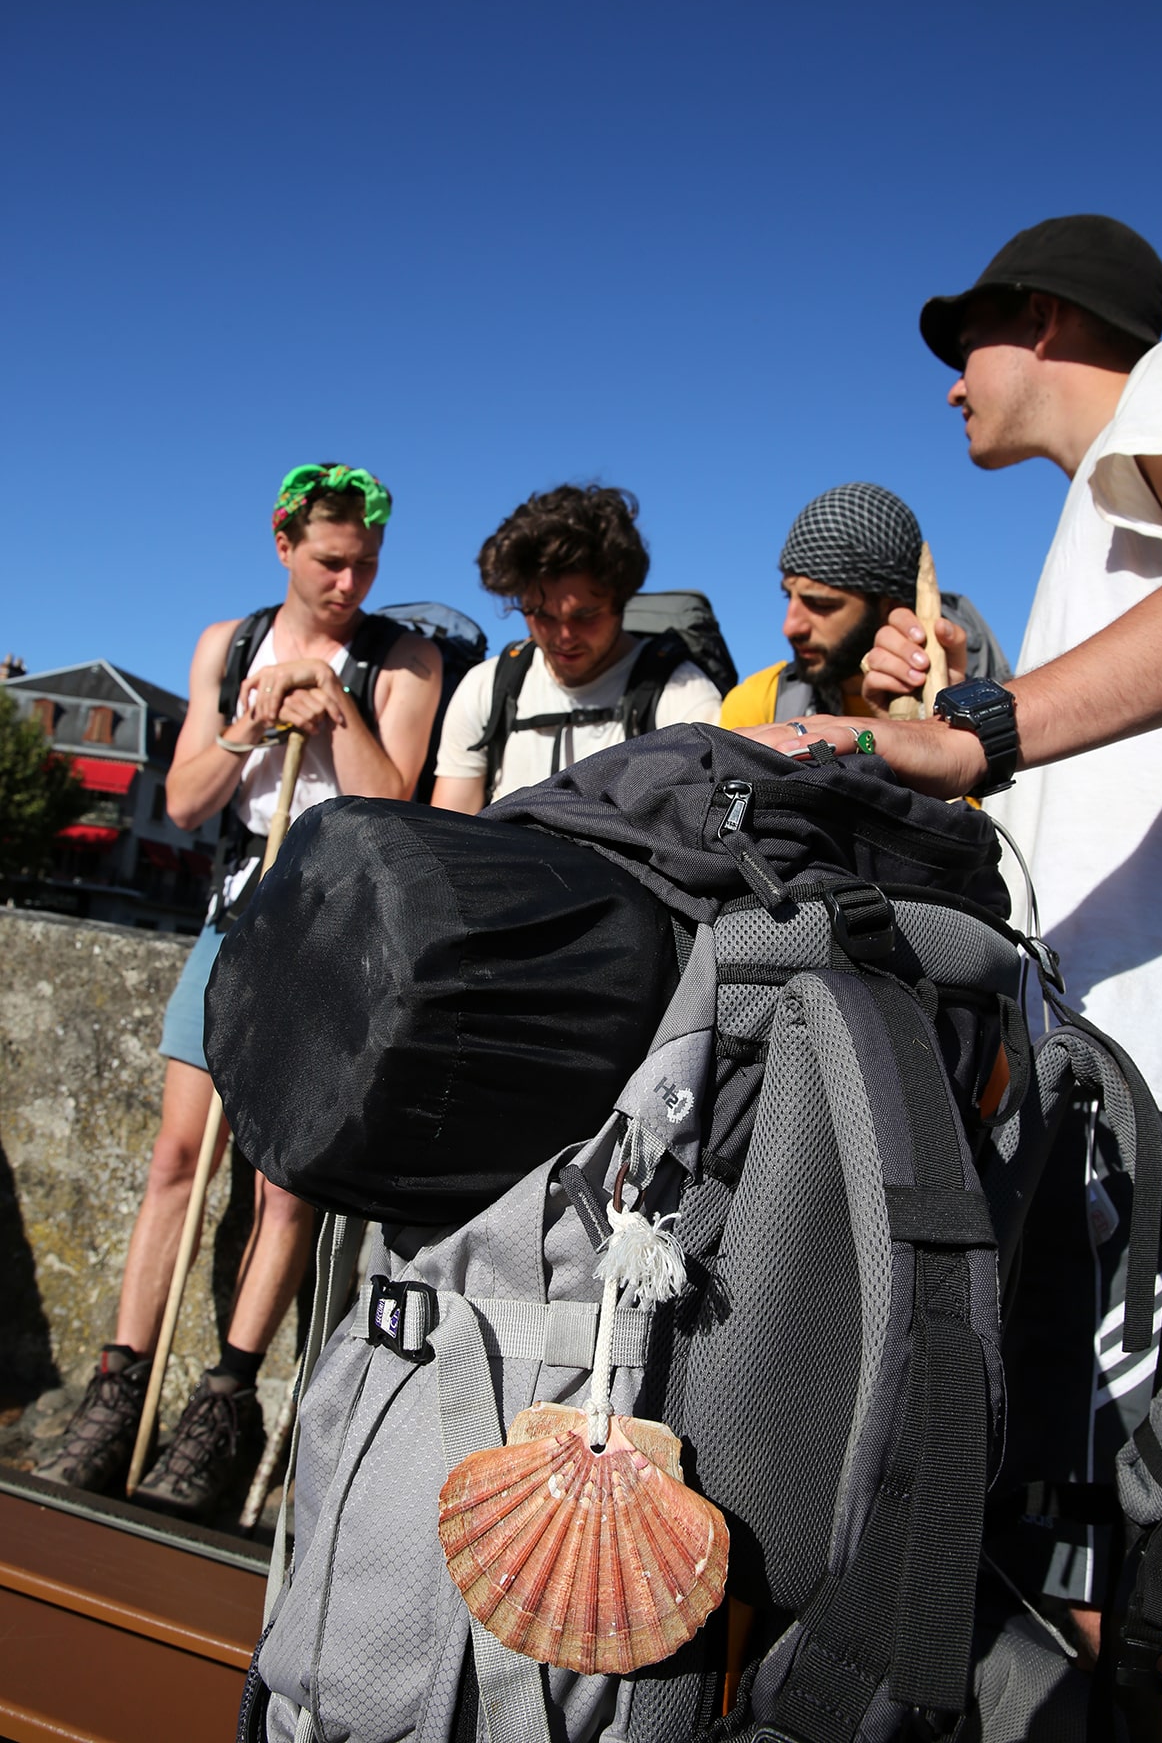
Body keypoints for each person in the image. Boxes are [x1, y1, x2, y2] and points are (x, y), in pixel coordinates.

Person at [746, 214, 1162, 1663]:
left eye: (969, 341)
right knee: (1101, 1585)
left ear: (1053, 318)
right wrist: (944, 707)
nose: (952, 383)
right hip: (1111, 1090)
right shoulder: (1092, 521)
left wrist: (975, 730)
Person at [43, 462, 443, 1517]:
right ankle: (117, 1385)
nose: (349, 583)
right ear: (283, 543)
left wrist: (335, 715)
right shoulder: (228, 644)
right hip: (237, 918)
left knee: (283, 1184)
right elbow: (179, 803)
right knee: (179, 1157)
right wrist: (249, 727)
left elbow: (393, 807)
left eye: (365, 564)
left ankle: (223, 1402)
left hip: (337, 938)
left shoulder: (403, 661)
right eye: (329, 562)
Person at [431, 482, 722, 809]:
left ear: (622, 600)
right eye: (541, 614)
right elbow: (449, 830)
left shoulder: (681, 693)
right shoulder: (487, 687)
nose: (564, 635)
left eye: (586, 615)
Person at [719, 480, 1008, 729]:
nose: (790, 626)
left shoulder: (987, 713)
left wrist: (930, 731)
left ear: (890, 607)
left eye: (820, 603)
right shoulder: (761, 706)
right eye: (788, 596)